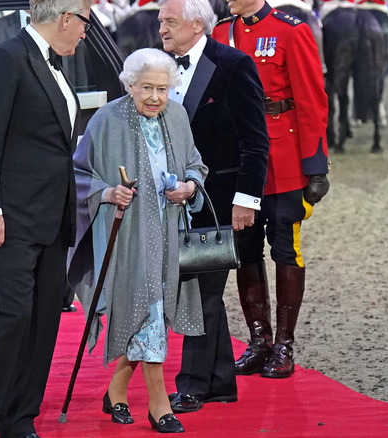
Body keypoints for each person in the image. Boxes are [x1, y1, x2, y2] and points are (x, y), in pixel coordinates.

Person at [0, 1, 92, 437]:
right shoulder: (5, 59)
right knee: (12, 315)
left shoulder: (53, 65)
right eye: (85, 23)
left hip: (51, 220)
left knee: (42, 321)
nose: (86, 33)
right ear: (67, 18)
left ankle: (20, 420)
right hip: (8, 221)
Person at [67, 47, 208, 433]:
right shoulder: (107, 119)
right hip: (127, 235)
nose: (155, 98)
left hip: (169, 232)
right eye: (146, 88)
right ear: (129, 85)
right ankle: (159, 405)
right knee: (146, 309)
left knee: (154, 311)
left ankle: (115, 392)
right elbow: (78, 174)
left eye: (162, 89)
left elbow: (195, 162)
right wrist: (108, 192)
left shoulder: (177, 116)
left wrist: (189, 186)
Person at [158, 0, 269, 413]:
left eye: (170, 21)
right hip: (173, 204)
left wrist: (246, 200)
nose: (162, 29)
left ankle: (191, 385)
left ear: (198, 23)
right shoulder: (158, 67)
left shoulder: (234, 65)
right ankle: (220, 381)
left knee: (199, 293)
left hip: (221, 204)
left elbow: (256, 142)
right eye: (160, 22)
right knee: (202, 292)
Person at [212, 0, 330, 379]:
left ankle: (284, 344)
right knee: (245, 249)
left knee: (285, 250)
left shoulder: (291, 30)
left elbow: (312, 99)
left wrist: (315, 163)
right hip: (239, 162)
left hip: (282, 158)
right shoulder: (220, 31)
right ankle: (259, 342)